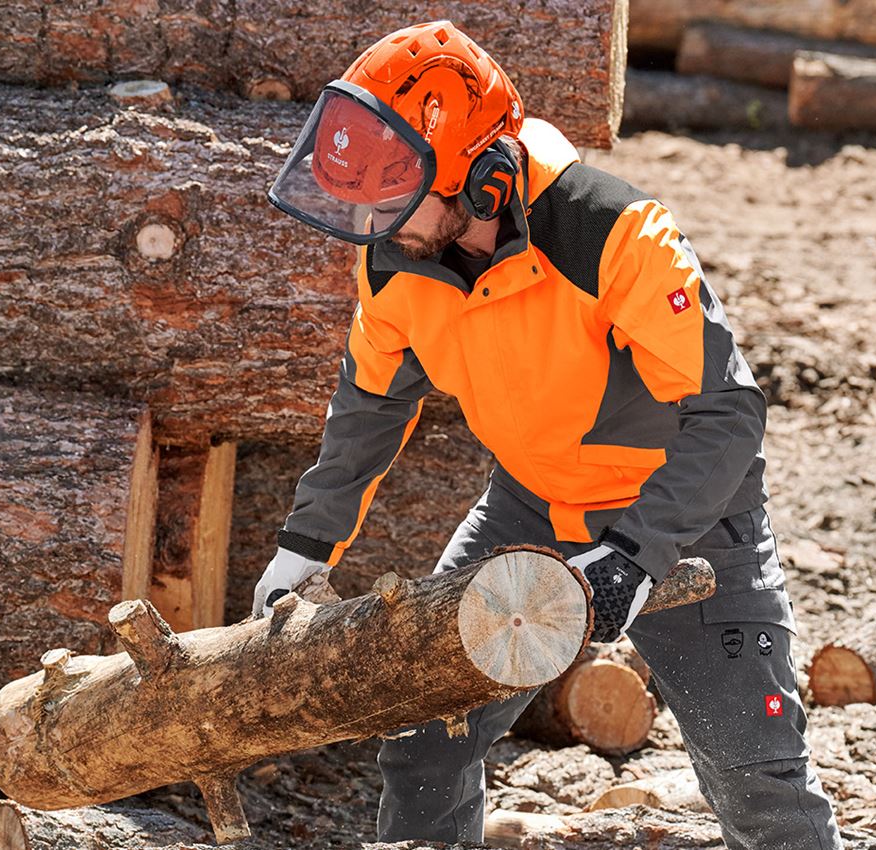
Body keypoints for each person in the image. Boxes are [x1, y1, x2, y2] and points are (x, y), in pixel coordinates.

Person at [254, 20, 842, 850]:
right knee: (428, 733)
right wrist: (305, 546)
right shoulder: (394, 257)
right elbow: (372, 403)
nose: (373, 221)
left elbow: (730, 411)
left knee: (757, 776)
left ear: (479, 180)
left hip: (687, 517)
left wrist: (636, 555)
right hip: (530, 509)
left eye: (392, 196)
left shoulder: (616, 233)